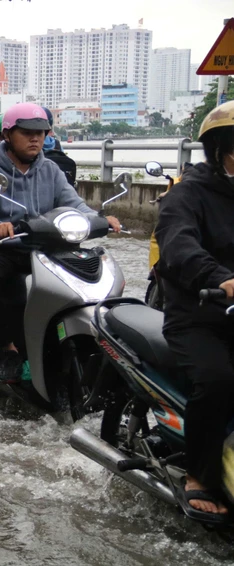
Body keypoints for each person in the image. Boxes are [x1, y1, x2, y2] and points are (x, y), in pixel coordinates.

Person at [0, 102, 121, 382]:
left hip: (45, 248)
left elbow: (73, 204)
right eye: (26, 132)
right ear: (7, 135)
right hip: (1, 249)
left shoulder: (51, 170)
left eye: (41, 132)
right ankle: (8, 348)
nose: (35, 138)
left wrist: (99, 219)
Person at [155, 100, 234, 516]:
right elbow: (178, 244)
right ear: (221, 149)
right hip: (198, 315)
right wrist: (220, 279)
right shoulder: (188, 193)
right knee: (218, 380)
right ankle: (199, 473)